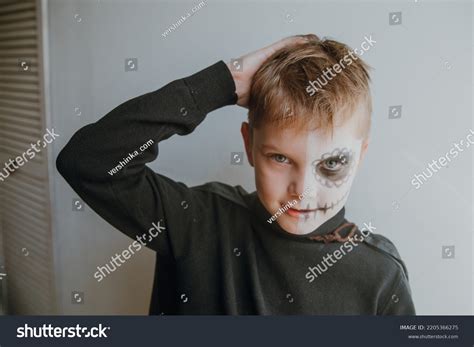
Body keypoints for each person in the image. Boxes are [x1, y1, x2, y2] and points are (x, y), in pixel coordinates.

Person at [57, 34, 415, 315]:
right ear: (248, 145)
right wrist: (225, 82)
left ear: (361, 155)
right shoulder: (199, 223)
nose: (302, 192)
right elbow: (87, 161)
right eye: (279, 157)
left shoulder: (380, 275)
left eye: (332, 164)